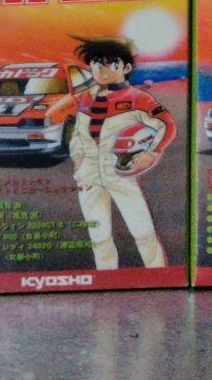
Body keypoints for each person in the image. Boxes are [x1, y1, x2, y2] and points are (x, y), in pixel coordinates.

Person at [69, 35, 175, 270]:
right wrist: (77, 158)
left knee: (143, 231)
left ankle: (158, 273)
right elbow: (77, 133)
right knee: (98, 237)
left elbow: (167, 125)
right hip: (88, 175)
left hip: (120, 172)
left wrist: (151, 152)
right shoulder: (86, 97)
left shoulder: (137, 98)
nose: (103, 70)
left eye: (111, 64)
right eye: (97, 63)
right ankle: (106, 278)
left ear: (126, 68)